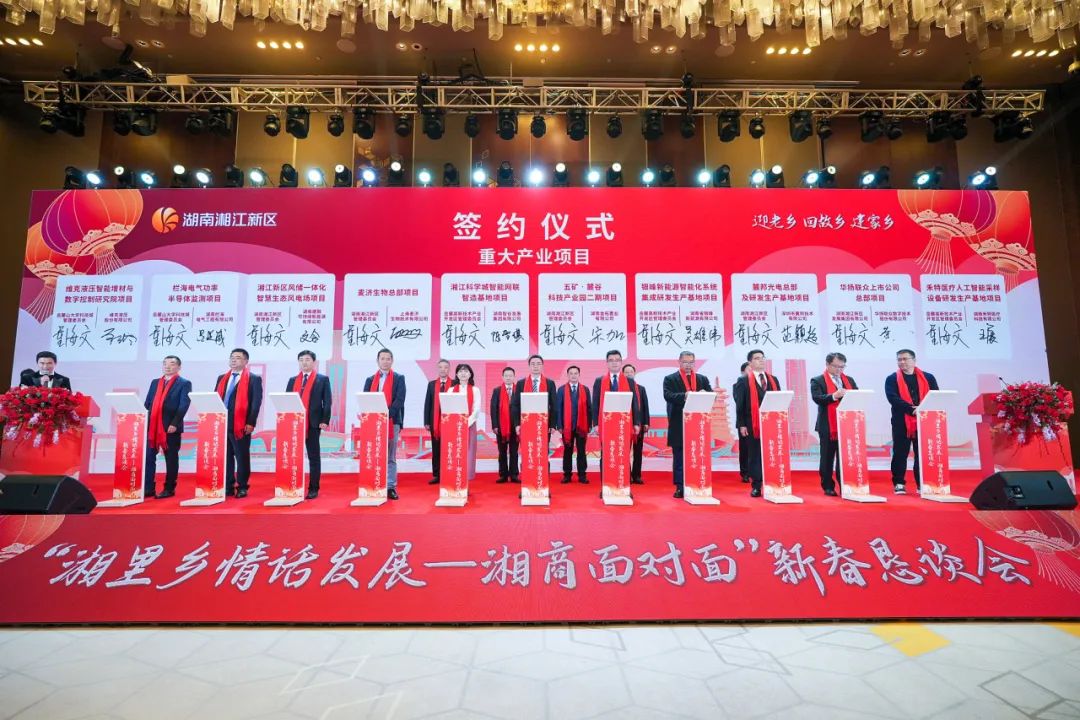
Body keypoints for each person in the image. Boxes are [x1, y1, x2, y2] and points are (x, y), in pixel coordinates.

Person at [885, 348, 939, 494]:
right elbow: (893, 398)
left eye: (905, 359)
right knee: (900, 453)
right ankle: (899, 483)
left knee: (922, 453)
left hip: (924, 420)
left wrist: (923, 409)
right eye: (899, 359)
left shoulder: (928, 377)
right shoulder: (892, 379)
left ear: (914, 360)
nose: (902, 362)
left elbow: (935, 395)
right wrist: (911, 409)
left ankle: (922, 483)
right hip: (901, 421)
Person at [663, 350, 715, 499]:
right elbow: (668, 395)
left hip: (698, 425)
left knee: (698, 455)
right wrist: (685, 395)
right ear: (679, 362)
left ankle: (698, 482)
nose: (688, 365)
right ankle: (680, 487)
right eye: (685, 362)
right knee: (679, 457)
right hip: (678, 424)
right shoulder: (670, 379)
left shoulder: (702, 379)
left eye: (691, 362)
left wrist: (706, 394)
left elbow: (711, 395)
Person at [214, 348, 263, 499]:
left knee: (241, 457)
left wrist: (251, 422)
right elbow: (215, 399)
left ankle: (242, 486)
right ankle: (228, 486)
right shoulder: (222, 378)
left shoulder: (253, 379)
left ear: (246, 361)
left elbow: (255, 403)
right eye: (232, 357)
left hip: (241, 425)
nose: (234, 360)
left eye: (238, 357)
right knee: (226, 457)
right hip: (223, 424)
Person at [733, 349, 782, 498]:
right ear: (750, 362)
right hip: (751, 423)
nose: (761, 360)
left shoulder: (773, 379)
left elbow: (779, 400)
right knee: (754, 455)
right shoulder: (743, 381)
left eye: (763, 357)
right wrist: (741, 425)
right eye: (757, 358)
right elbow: (740, 405)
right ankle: (756, 486)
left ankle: (773, 483)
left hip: (772, 422)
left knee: (771, 453)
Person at [143, 355, 192, 499]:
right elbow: (148, 403)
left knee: (171, 459)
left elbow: (184, 405)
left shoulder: (184, 383)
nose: (167, 366)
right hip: (152, 427)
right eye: (165, 364)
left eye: (172, 364)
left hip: (170, 427)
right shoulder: (155, 382)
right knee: (148, 457)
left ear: (179, 367)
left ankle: (169, 488)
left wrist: (174, 423)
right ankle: (148, 488)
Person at [286, 350, 332, 500]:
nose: (304, 362)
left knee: (313, 457)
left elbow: (327, 402)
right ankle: (292, 485)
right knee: (293, 456)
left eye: (307, 359)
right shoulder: (292, 380)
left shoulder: (322, 379)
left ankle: (313, 488)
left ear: (314, 362)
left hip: (312, 423)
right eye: (301, 360)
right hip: (294, 424)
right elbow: (287, 400)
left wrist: (324, 420)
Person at [810, 352, 857, 497]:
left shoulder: (849, 380)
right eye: (836, 366)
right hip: (827, 425)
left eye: (842, 367)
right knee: (827, 457)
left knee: (845, 457)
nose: (839, 370)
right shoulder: (817, 380)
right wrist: (834, 396)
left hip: (846, 424)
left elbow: (856, 395)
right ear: (827, 364)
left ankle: (845, 485)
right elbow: (817, 398)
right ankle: (828, 486)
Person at [591, 350, 641, 482]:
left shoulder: (629, 381)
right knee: (607, 454)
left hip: (624, 424)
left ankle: (624, 484)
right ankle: (606, 485)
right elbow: (595, 403)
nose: (614, 363)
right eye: (611, 360)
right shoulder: (600, 381)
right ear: (607, 363)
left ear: (621, 362)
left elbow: (634, 403)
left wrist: (636, 422)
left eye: (617, 360)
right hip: (605, 424)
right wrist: (595, 423)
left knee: (623, 453)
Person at [363, 348, 406, 500]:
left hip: (392, 421)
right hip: (373, 423)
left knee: (390, 456)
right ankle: (374, 484)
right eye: (382, 358)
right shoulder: (370, 380)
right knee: (374, 454)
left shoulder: (399, 378)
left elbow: (400, 400)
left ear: (392, 361)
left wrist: (386, 415)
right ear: (377, 361)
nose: (385, 361)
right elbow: (365, 399)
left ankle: (390, 487)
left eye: (388, 358)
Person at [557, 365, 592, 484]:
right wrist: (559, 425)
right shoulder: (561, 390)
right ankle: (567, 475)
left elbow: (589, 408)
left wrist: (589, 425)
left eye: (575, 373)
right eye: (571, 373)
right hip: (567, 427)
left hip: (581, 426)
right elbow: (558, 409)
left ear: (579, 375)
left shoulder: (585, 389)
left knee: (581, 451)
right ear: (567, 375)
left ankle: (582, 475)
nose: (573, 375)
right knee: (568, 451)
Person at [511, 353, 558, 438]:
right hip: (525, 422)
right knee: (528, 445)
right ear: (529, 366)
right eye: (533, 364)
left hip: (545, 423)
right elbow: (515, 405)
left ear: (542, 366)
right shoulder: (521, 383)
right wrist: (517, 424)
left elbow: (554, 405)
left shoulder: (550, 383)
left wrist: (552, 425)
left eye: (538, 364)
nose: (535, 366)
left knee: (543, 446)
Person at [448, 363, 482, 482]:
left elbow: (476, 409)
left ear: (470, 374)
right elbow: (448, 407)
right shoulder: (451, 390)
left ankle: (467, 476)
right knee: (455, 450)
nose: (463, 373)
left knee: (469, 451)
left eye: (466, 371)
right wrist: (456, 422)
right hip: (454, 425)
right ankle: (455, 475)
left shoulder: (475, 390)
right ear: (457, 374)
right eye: (461, 371)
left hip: (470, 424)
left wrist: (466, 422)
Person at [423, 359, 453, 485]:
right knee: (436, 449)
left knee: (449, 449)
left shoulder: (455, 384)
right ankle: (436, 474)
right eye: (440, 367)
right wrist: (426, 421)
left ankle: (449, 474)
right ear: (437, 368)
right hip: (434, 422)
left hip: (450, 422)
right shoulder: (431, 384)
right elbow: (428, 404)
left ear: (449, 369)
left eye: (445, 367)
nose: (443, 369)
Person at [490, 366, 519, 483]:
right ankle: (503, 475)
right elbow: (493, 409)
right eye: (506, 376)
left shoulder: (519, 390)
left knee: (514, 451)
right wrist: (495, 425)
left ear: (514, 377)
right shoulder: (497, 391)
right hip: (501, 427)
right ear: (502, 377)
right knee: (502, 452)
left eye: (510, 375)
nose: (508, 378)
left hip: (516, 427)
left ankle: (514, 475)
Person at [623, 363, 649, 485]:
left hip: (639, 423)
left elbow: (645, 406)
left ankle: (637, 475)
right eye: (626, 372)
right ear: (622, 374)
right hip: (624, 424)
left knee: (638, 451)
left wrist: (646, 422)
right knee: (624, 451)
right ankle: (626, 475)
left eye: (631, 372)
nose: (629, 374)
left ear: (634, 373)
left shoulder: (641, 388)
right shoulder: (620, 389)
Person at [735, 362, 750, 483]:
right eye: (749, 369)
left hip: (759, 421)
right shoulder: (739, 384)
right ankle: (745, 472)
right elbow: (739, 403)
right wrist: (741, 424)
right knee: (745, 449)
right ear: (742, 372)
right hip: (744, 422)